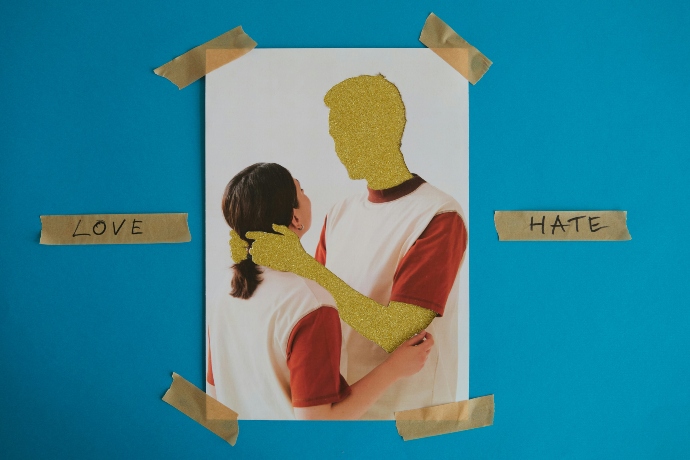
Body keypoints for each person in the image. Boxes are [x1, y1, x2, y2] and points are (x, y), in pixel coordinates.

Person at [245, 75, 468, 419]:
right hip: (339, 412)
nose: (341, 148)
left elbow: (398, 333)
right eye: (336, 136)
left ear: (387, 128)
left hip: (406, 419)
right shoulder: (340, 213)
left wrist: (302, 264)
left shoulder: (439, 215)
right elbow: (317, 306)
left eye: (350, 134)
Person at [206, 162, 434, 420]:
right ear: (295, 218)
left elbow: (214, 394)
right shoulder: (311, 305)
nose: (306, 195)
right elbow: (318, 425)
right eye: (301, 190)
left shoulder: (224, 290)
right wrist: (393, 369)